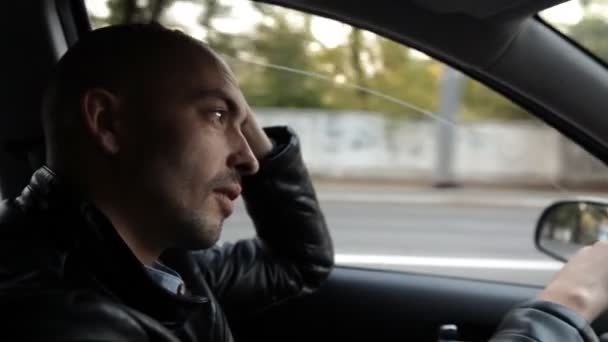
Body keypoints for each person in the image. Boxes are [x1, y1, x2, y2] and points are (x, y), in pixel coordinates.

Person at [0, 23, 604, 342]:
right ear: (108, 122)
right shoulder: (60, 319)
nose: (251, 157)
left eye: (248, 126)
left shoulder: (156, 270)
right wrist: (561, 311)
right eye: (216, 116)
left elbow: (297, 264)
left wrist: (229, 110)